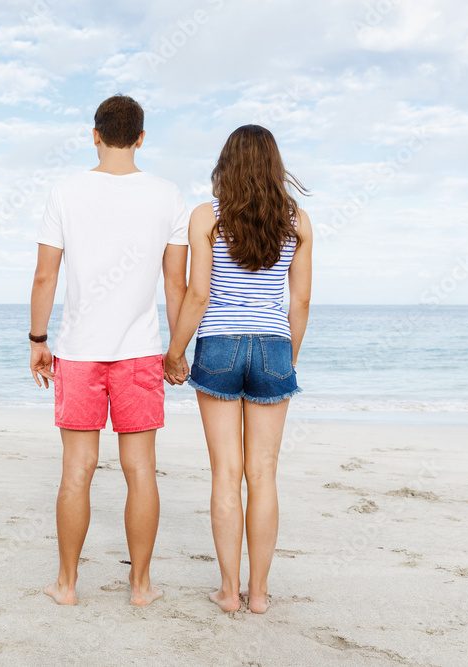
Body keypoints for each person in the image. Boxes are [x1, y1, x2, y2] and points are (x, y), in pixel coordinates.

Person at [29, 95, 189, 606]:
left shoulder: (65, 191)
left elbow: (45, 276)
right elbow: (176, 285)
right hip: (140, 352)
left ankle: (67, 585)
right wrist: (176, 350)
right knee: (140, 470)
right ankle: (140, 586)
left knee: (77, 469)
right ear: (141, 138)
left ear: (95, 134)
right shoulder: (168, 196)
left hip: (78, 352)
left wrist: (38, 340)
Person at [163, 124, 312, 614]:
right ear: (274, 165)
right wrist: (287, 359)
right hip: (273, 344)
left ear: (226, 164)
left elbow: (198, 293)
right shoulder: (297, 221)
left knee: (226, 474)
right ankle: (260, 594)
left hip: (220, 344)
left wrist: (175, 352)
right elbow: (300, 302)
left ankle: (229, 591)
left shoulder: (207, 217)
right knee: (263, 474)